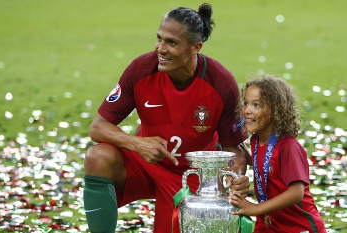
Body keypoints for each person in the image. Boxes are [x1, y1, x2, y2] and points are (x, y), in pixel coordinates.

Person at [83, 3, 251, 233]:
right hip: (145, 163)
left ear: (196, 47)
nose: (160, 48)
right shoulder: (141, 69)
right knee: (97, 157)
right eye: (159, 38)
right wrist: (137, 143)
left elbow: (234, 148)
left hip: (192, 176)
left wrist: (237, 177)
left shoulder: (221, 83)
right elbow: (98, 127)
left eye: (171, 42)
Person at [231, 75, 326, 232]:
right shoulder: (256, 140)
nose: (247, 110)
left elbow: (297, 192)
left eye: (256, 105)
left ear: (276, 110)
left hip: (298, 226)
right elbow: (262, 162)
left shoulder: (288, 147)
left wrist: (256, 208)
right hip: (269, 224)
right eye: (246, 103)